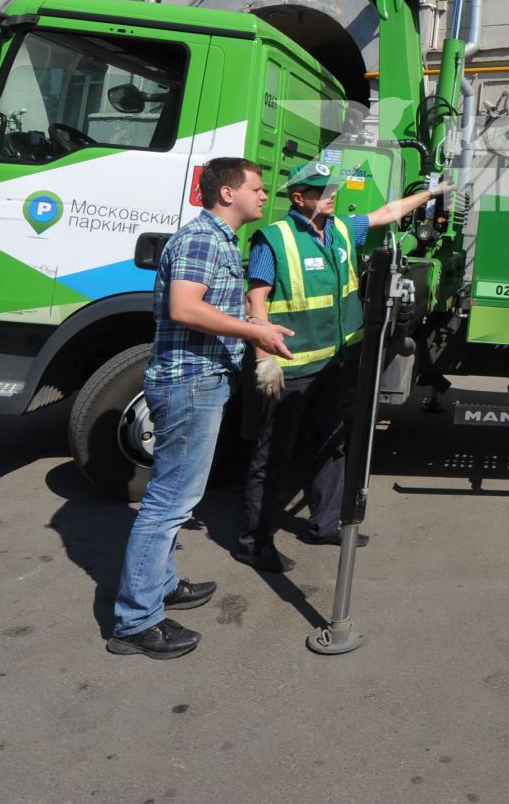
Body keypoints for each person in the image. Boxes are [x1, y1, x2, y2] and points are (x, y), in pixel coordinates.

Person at [107, 158, 295, 660]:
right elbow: (186, 309)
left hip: (201, 382)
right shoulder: (201, 239)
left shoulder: (219, 240)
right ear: (228, 194)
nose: (263, 194)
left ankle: (161, 585)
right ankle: (136, 621)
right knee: (169, 504)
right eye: (256, 187)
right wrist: (256, 331)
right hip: (190, 384)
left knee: (176, 500)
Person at [233, 157, 452, 570]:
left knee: (330, 444)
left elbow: (386, 213)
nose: (332, 197)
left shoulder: (340, 230)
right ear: (299, 198)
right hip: (291, 367)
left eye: (332, 191)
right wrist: (264, 358)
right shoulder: (273, 239)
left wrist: (431, 194)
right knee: (274, 455)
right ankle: (254, 540)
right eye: (323, 193)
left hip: (334, 363)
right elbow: (255, 300)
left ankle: (326, 524)